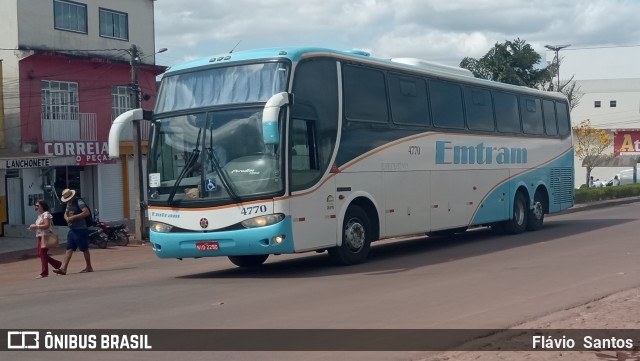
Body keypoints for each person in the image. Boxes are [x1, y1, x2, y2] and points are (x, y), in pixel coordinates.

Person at [53, 189, 93, 275]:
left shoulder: (79, 202)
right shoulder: (69, 204)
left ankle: (89, 266)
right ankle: (64, 268)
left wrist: (73, 217)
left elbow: (86, 212)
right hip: (72, 229)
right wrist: (66, 218)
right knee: (69, 248)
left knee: (84, 248)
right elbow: (65, 213)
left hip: (80, 229)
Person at [29, 200, 62, 279]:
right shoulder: (41, 215)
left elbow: (46, 225)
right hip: (40, 236)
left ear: (42, 206)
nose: (36, 207)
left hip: (45, 236)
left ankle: (44, 272)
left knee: (42, 254)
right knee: (41, 254)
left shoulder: (46, 214)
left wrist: (36, 226)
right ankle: (56, 264)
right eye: (36, 206)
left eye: (38, 206)